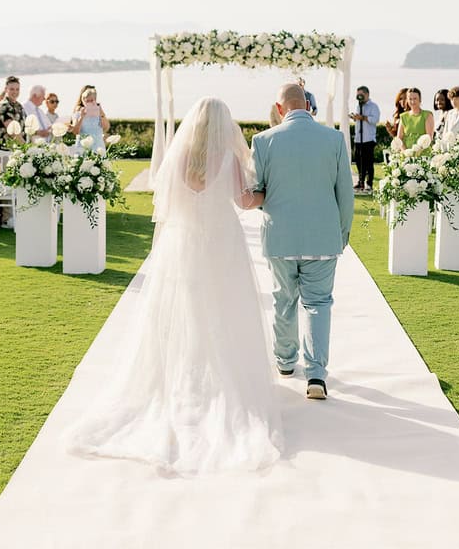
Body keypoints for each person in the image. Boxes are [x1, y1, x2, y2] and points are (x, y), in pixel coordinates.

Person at [65, 97, 281, 474]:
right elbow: (244, 201)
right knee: (222, 309)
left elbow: (166, 204)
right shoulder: (229, 159)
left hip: (182, 243)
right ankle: (215, 380)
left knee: (185, 310)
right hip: (220, 243)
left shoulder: (178, 158)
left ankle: (185, 377)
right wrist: (268, 193)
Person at [251, 83, 353, 401]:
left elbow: (257, 190)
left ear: (279, 108)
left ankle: (284, 362)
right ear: (308, 106)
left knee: (283, 300)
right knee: (318, 304)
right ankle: (316, 375)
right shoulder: (334, 139)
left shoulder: (262, 140)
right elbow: (345, 194)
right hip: (323, 237)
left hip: (280, 236)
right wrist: (341, 234)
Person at [350, 85, 380, 193]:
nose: (359, 97)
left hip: (368, 139)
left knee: (368, 163)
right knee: (359, 161)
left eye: (361, 94)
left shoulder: (373, 106)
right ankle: (360, 181)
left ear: (367, 94)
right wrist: (355, 117)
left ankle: (369, 183)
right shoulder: (358, 106)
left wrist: (363, 117)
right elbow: (359, 119)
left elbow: (375, 119)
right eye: (357, 95)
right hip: (358, 138)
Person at [71, 87, 109, 153]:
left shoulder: (99, 112)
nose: (90, 103)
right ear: (83, 101)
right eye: (87, 101)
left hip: (98, 147)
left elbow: (106, 128)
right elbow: (75, 132)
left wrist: (101, 114)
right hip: (82, 147)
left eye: (91, 100)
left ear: (95, 100)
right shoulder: (78, 113)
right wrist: (81, 117)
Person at [0, 76, 26, 148]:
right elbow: (12, 132)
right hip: (6, 149)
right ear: (6, 89)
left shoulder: (19, 106)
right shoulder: (4, 106)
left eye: (17, 89)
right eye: (12, 89)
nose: (15, 92)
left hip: (18, 147)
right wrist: (26, 147)